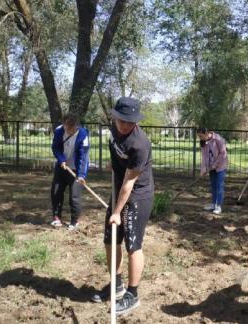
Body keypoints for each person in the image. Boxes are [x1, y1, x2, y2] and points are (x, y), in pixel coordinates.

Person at [91, 97, 154, 316]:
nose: (126, 125)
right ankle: (115, 284)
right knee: (110, 240)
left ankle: (132, 294)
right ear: (115, 117)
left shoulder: (139, 144)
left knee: (132, 246)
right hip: (118, 191)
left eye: (131, 122)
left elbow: (129, 182)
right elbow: (116, 160)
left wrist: (117, 212)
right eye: (122, 121)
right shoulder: (113, 131)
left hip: (137, 195)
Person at [50, 113, 90, 230]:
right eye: (68, 128)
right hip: (62, 167)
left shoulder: (83, 134)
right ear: (64, 125)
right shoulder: (58, 131)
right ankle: (56, 218)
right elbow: (55, 147)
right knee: (56, 191)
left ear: (77, 126)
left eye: (73, 128)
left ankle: (74, 221)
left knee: (74, 196)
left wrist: (81, 175)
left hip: (77, 169)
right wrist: (61, 160)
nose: (71, 131)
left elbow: (83, 156)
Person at [197, 127, 228, 215]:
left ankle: (219, 206)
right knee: (213, 186)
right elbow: (203, 157)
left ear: (206, 133)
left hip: (220, 167)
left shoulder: (218, 139)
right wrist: (203, 169)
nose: (200, 138)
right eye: (199, 136)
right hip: (211, 167)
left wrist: (214, 165)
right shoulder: (204, 142)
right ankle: (213, 204)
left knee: (219, 186)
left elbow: (223, 154)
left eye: (201, 136)